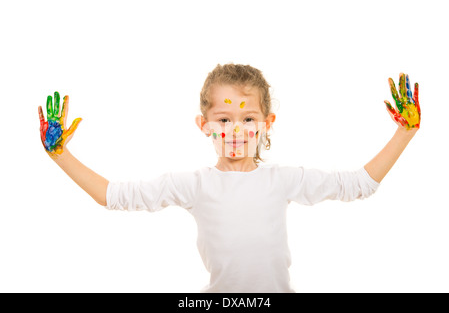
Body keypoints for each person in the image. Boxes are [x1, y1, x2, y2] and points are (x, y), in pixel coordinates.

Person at [38, 63, 421, 292]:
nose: (236, 129)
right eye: (224, 119)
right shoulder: (194, 185)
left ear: (267, 124)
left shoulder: (283, 179)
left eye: (248, 118)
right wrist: (60, 154)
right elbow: (113, 196)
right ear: (204, 126)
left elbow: (357, 185)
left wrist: (405, 133)